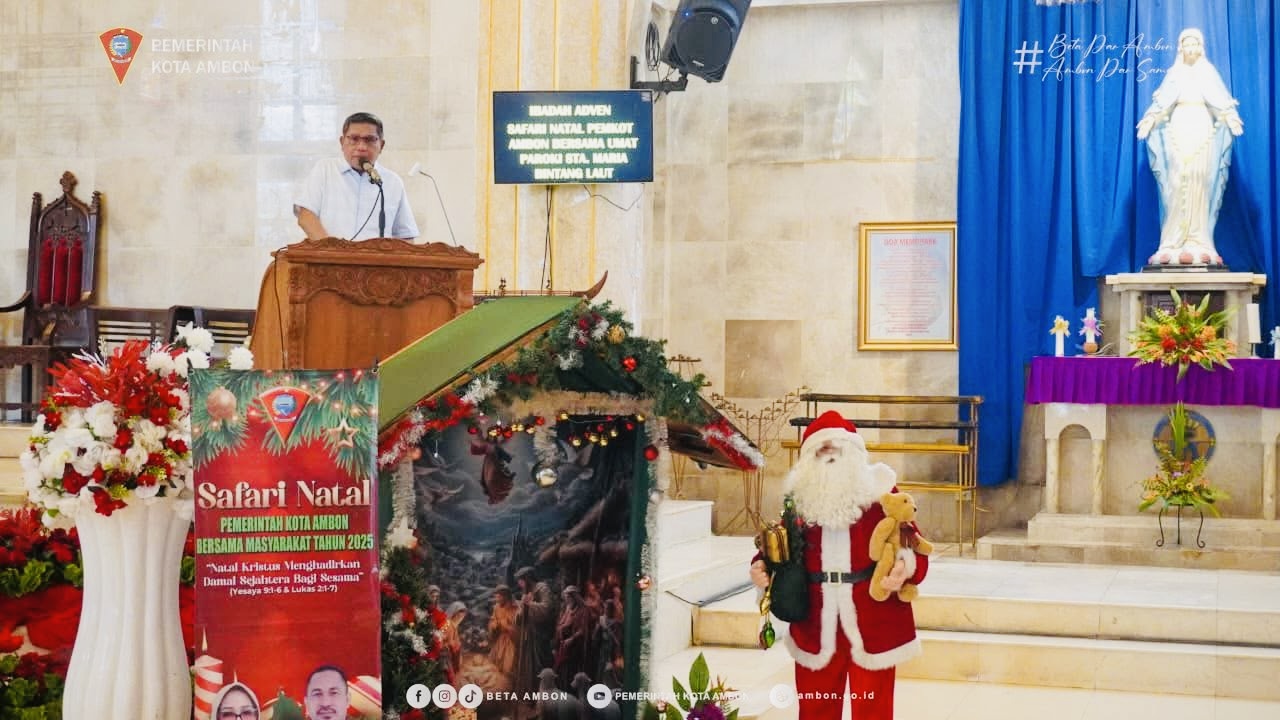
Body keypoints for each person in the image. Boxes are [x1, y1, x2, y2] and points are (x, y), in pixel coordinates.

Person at [749, 411, 929, 720]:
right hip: (815, 622)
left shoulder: (883, 496)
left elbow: (915, 547)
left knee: (873, 710)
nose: (830, 457)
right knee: (816, 709)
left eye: (838, 449)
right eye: (822, 450)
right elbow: (778, 546)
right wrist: (760, 566)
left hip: (873, 619)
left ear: (855, 454)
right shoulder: (800, 500)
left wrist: (903, 567)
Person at [1136, 28, 1243, 266]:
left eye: (1195, 44)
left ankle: (1199, 240)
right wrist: (1149, 120)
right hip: (1179, 127)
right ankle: (1171, 241)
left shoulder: (1208, 73)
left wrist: (1231, 118)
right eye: (1187, 44)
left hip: (1201, 127)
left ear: (1201, 48)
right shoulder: (1174, 74)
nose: (1191, 48)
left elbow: (1220, 103)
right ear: (1180, 48)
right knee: (1176, 183)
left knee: (1200, 180)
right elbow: (1162, 104)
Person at [295, 111, 419, 241]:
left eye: (369, 140)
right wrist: (331, 250)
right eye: (354, 139)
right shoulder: (325, 169)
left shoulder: (393, 182)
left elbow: (405, 235)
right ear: (342, 142)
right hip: (329, 253)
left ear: (381, 145)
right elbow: (306, 217)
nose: (361, 147)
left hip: (376, 255)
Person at [489, 586, 519, 675]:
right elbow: (493, 619)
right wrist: (494, 624)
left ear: (506, 596)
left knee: (509, 665)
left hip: (511, 640)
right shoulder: (496, 607)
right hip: (501, 638)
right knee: (497, 662)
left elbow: (518, 626)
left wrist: (506, 625)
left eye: (499, 597)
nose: (497, 600)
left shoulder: (516, 608)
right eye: (496, 597)